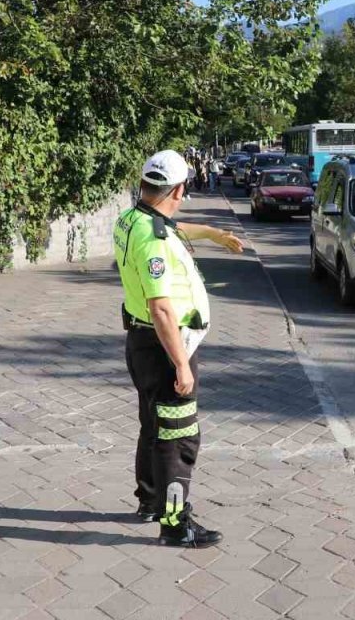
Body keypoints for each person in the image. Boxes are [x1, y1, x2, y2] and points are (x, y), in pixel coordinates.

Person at [114, 149, 244, 548]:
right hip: (165, 348)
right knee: (180, 435)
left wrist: (213, 234)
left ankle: (150, 499)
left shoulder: (132, 218)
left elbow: (173, 226)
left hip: (142, 343)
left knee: (153, 424)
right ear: (179, 188)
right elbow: (161, 309)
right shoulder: (152, 241)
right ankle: (175, 524)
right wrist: (182, 365)